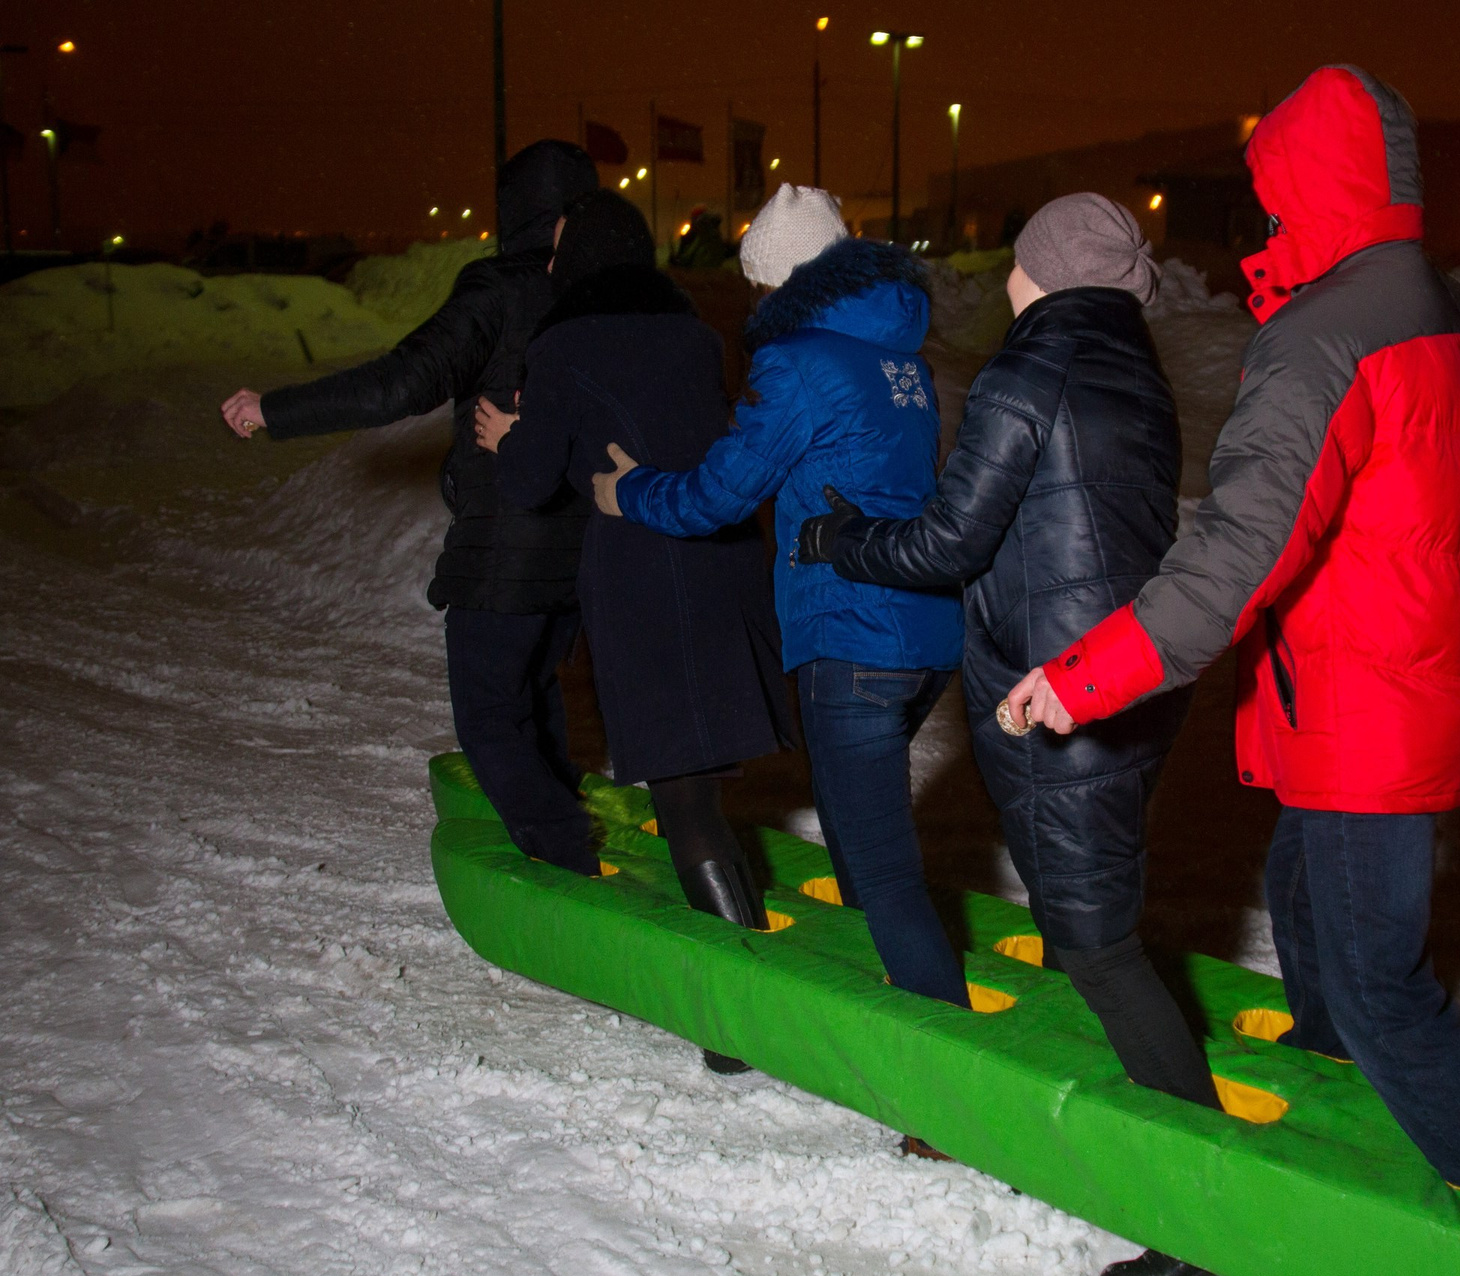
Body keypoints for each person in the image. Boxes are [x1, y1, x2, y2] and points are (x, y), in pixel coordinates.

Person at [1005, 65, 1460, 1276]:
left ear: (1302, 191)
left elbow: (1239, 545)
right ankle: (1316, 1178)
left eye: (1268, 197)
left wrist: (1088, 674)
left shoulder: (1324, 339)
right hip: (1398, 699)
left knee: (1378, 992)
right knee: (1308, 916)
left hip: (1370, 718)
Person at [797, 196, 1217, 1123]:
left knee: (1096, 941)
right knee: (1076, 912)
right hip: (1124, 671)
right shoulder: (1133, 365)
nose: (1007, 275)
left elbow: (949, 542)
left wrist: (841, 539)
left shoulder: (1032, 365)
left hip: (1052, 685)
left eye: (1019, 258)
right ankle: (1098, 1104)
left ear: (1048, 269)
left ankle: (1198, 1179)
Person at [593, 184, 969, 1008]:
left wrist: (631, 490)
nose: (755, 298)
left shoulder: (796, 361)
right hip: (924, 630)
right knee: (857, 829)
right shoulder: (902, 359)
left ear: (781, 279)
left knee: (882, 867)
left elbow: (718, 496)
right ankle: (881, 997)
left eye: (757, 282)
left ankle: (941, 1046)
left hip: (851, 633)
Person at [477, 188, 796, 1074]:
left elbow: (533, 482)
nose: (551, 265)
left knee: (684, 799)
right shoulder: (691, 333)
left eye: (560, 251)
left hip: (649, 584)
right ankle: (746, 996)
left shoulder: (564, 343)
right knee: (700, 792)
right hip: (720, 564)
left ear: (580, 262)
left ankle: (740, 1021)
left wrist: (509, 438)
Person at [220, 140, 603, 877]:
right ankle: (561, 815)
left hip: (505, 549)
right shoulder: (600, 294)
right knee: (531, 689)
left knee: (490, 714)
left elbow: (400, 384)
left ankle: (564, 857)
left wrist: (275, 409)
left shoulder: (499, 291)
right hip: (581, 544)